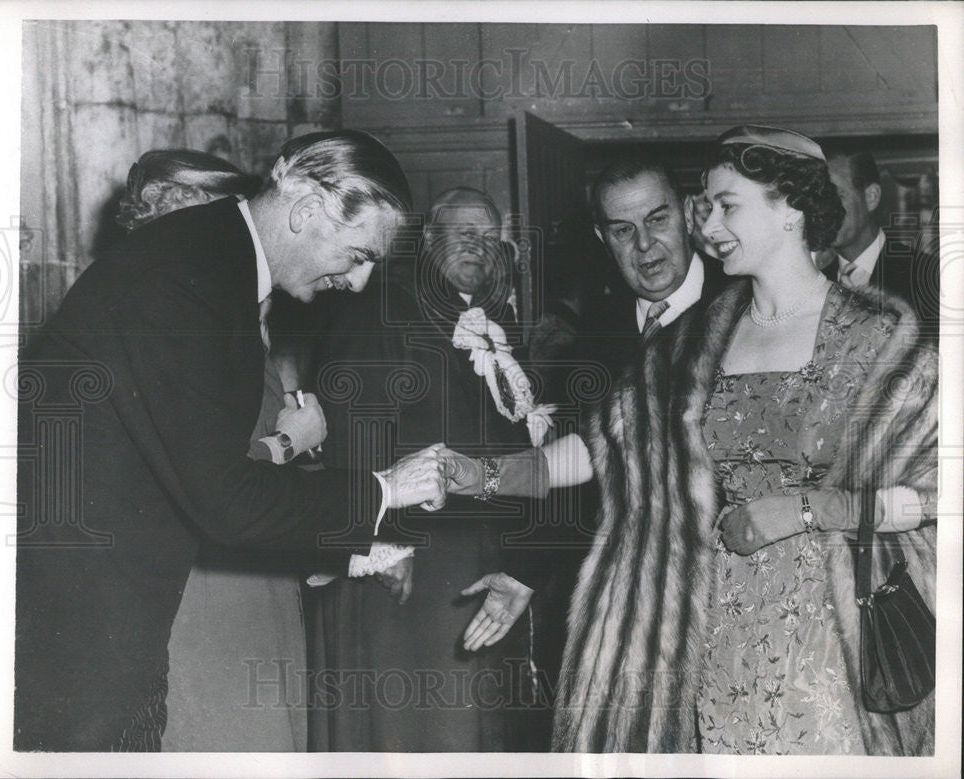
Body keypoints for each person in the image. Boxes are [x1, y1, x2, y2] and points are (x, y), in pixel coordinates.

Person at [443, 126, 938, 755]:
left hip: (834, 639)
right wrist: (478, 475)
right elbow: (607, 451)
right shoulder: (697, 337)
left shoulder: (880, 339)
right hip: (710, 635)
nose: (709, 226)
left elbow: (939, 494)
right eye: (705, 207)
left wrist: (809, 510)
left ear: (789, 211)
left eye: (726, 206)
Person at [14, 130, 450, 752]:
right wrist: (386, 490)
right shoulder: (189, 278)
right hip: (87, 636)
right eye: (358, 256)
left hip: (113, 611)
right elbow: (229, 502)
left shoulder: (212, 262)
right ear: (306, 211)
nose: (357, 283)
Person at [305, 187, 555, 751]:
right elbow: (355, 421)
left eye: (489, 238)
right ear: (427, 240)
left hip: (477, 555)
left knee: (471, 729)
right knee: (418, 728)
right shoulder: (383, 304)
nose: (477, 246)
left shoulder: (493, 323)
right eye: (462, 232)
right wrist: (385, 543)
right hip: (413, 555)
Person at [114, 148, 329, 750]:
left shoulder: (229, 315)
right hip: (203, 587)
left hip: (252, 576)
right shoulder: (171, 325)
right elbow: (190, 482)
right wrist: (291, 440)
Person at [584, 157, 727, 373]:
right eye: (623, 230)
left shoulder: (749, 302)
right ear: (603, 239)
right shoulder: (592, 335)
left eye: (657, 220)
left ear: (687, 215)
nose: (643, 243)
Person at [822, 146, 940, 342]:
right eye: (818, 198)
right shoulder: (815, 282)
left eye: (835, 195)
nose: (823, 210)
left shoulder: (928, 276)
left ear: (871, 197)